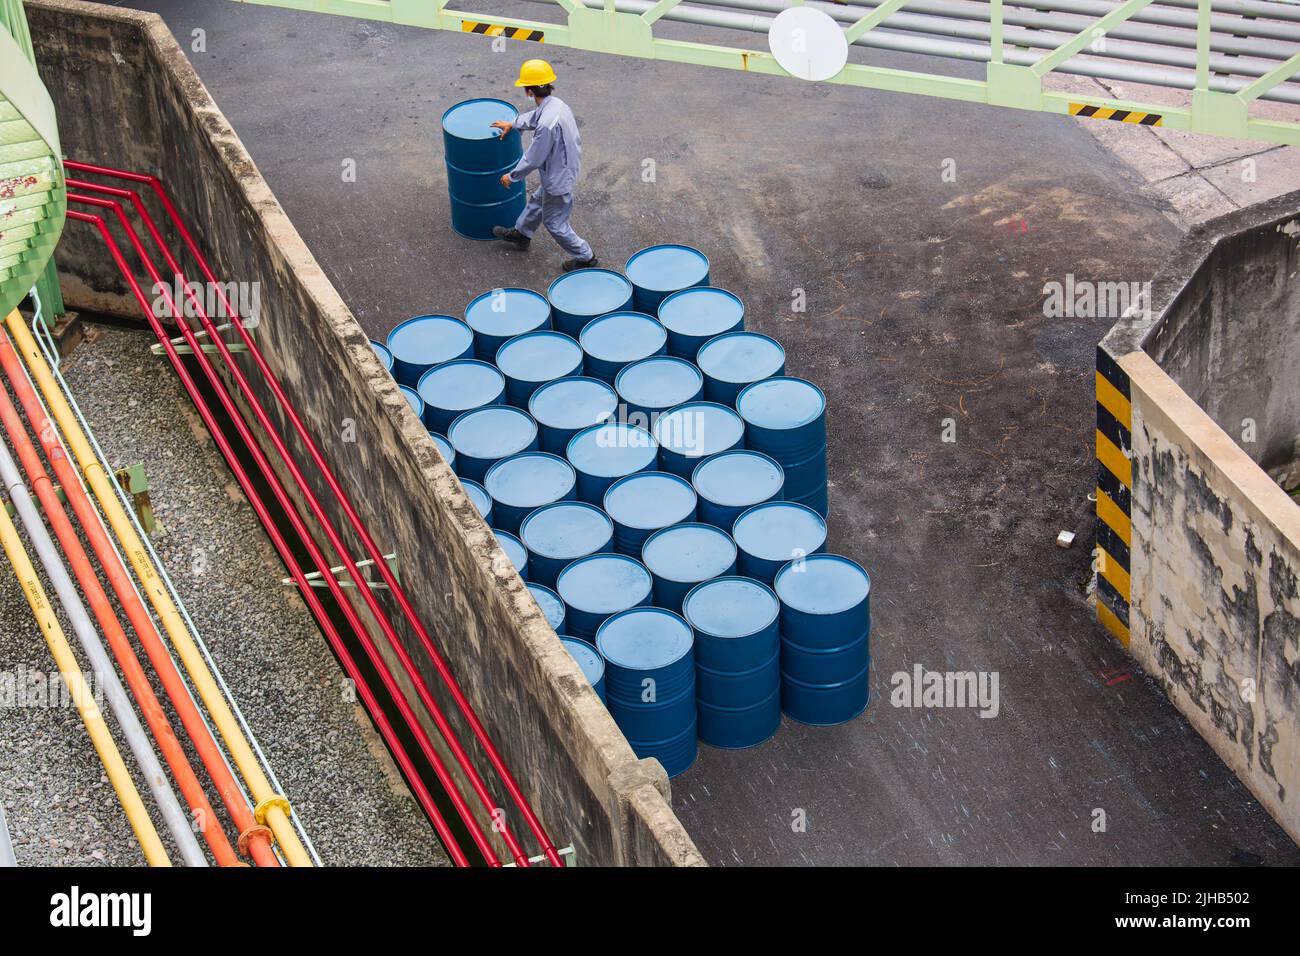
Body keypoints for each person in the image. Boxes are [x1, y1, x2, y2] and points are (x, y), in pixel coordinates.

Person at [490, 59, 597, 272]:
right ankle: (522, 234)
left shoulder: (546, 126)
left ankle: (586, 256)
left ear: (529, 91)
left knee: (554, 223)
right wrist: (514, 123)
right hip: (562, 167)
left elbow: (534, 158)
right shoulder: (556, 105)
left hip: (558, 177)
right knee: (538, 199)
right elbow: (535, 117)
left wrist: (512, 176)